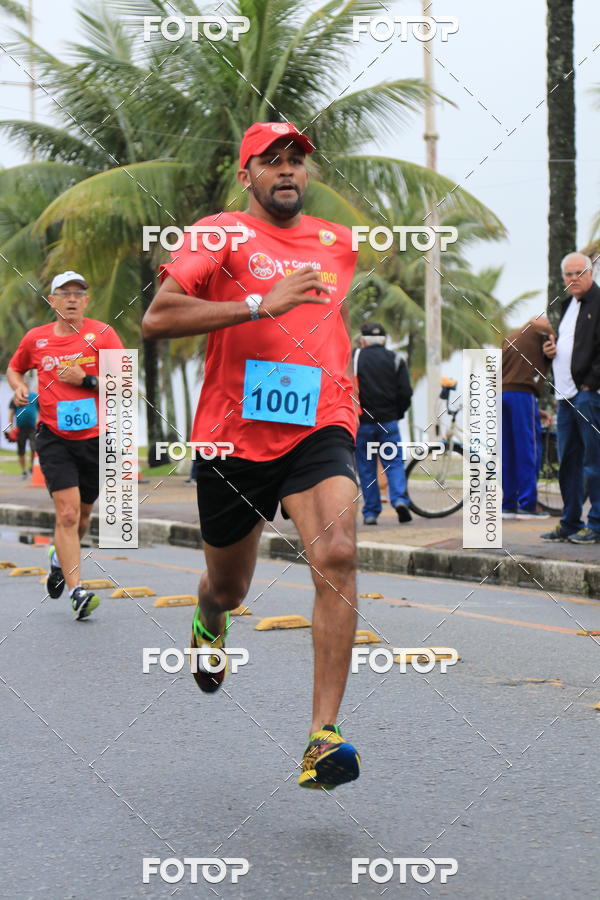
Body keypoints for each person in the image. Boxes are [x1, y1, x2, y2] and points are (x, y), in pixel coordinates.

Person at [143, 121, 361, 790]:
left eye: (296, 159)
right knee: (230, 588)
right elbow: (159, 316)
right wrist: (258, 304)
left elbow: (322, 323)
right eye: (271, 160)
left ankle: (322, 737)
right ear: (247, 175)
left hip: (319, 422)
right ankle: (209, 620)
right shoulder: (219, 234)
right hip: (233, 437)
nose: (287, 169)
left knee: (337, 552)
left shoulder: (338, 242)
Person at [7, 271, 124, 618]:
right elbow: (15, 368)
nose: (72, 299)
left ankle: (59, 560)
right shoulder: (36, 338)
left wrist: (86, 380)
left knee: (84, 516)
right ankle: (77, 591)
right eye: (64, 293)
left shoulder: (103, 334)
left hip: (95, 438)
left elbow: (125, 383)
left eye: (78, 293)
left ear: (86, 301)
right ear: (52, 300)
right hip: (53, 436)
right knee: (68, 513)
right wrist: (18, 386)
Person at [541, 252, 600, 543]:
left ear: (591, 273)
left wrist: (590, 385)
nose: (573, 278)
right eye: (568, 274)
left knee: (594, 461)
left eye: (579, 272)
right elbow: (568, 346)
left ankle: (597, 524)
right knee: (568, 462)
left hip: (588, 396)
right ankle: (570, 522)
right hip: (564, 396)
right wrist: (550, 352)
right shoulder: (568, 305)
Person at [353, 322, 413, 525]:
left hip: (363, 423)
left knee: (366, 467)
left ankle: (371, 512)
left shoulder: (355, 358)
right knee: (394, 462)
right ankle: (400, 500)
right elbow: (405, 392)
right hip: (388, 422)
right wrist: (397, 413)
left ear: (363, 340)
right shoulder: (396, 359)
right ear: (384, 340)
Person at [501, 317, 554, 519]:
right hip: (522, 395)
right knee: (528, 450)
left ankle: (508, 505)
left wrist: (535, 411)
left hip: (502, 395)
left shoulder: (511, 338)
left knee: (508, 452)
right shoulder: (540, 331)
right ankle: (528, 504)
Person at [6, 386, 38, 478]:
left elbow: (41, 410)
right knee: (21, 450)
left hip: (32, 428)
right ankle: (23, 471)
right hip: (20, 428)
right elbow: (11, 413)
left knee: (34, 448)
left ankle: (31, 467)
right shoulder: (15, 397)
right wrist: (11, 428)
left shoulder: (34, 397)